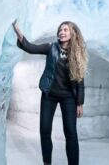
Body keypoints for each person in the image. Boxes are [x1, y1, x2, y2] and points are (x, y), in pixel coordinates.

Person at [12, 19, 88, 165]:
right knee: (45, 130)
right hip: (49, 95)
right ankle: (47, 162)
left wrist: (80, 103)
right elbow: (30, 47)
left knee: (71, 133)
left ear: (72, 33)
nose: (62, 32)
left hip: (69, 98)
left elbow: (80, 80)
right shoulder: (51, 47)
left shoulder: (77, 54)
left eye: (65, 30)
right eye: (60, 30)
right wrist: (17, 30)